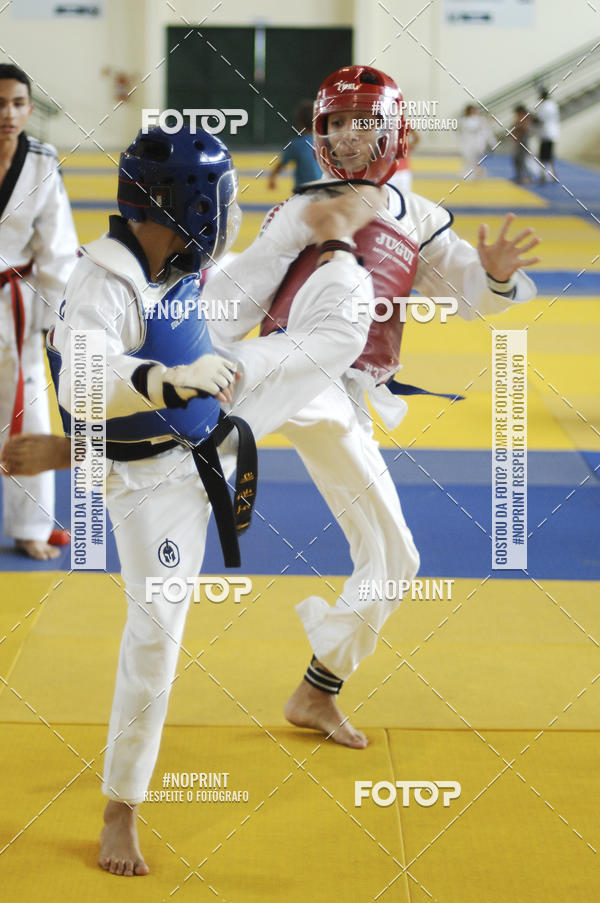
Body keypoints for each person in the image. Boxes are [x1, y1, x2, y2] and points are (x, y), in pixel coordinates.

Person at [47, 123, 382, 876]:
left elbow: (266, 251)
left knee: (321, 346)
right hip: (151, 480)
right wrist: (169, 382)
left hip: (217, 421)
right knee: (158, 635)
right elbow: (80, 380)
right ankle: (120, 806)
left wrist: (345, 207)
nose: (227, 215)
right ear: (190, 206)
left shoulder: (186, 264)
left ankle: (325, 381)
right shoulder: (104, 280)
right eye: (220, 202)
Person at [205, 65, 541, 751]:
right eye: (335, 124)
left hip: (352, 395)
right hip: (300, 371)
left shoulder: (418, 218)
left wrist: (499, 274)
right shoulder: (306, 208)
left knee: (397, 557)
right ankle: (169, 438)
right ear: (319, 133)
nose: (348, 137)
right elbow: (238, 297)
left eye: (363, 123)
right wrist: (201, 351)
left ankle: (317, 688)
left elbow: (472, 294)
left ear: (389, 131)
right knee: (192, 455)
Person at [0, 63, 77, 559]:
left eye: (17, 103)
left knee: (27, 404)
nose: (8, 114)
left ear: (29, 108)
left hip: (16, 301)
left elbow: (57, 247)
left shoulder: (41, 162)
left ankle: (30, 523)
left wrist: (54, 318)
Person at [268, 99, 322, 191]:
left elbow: (281, 164)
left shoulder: (296, 145)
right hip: (322, 189)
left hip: (303, 192)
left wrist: (272, 178)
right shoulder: (324, 142)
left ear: (299, 122)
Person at [459, 104, 495, 179]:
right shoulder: (463, 120)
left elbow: (487, 130)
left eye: (474, 110)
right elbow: (463, 131)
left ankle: (476, 173)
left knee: (473, 159)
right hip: (467, 143)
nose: (473, 112)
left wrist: (492, 142)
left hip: (476, 143)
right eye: (471, 110)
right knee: (468, 159)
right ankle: (475, 172)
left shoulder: (480, 119)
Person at [535, 87, 559, 183]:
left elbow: (541, 120)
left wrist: (532, 119)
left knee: (544, 156)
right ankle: (551, 175)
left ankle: (544, 175)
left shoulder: (545, 106)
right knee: (548, 156)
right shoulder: (553, 105)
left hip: (546, 134)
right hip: (551, 133)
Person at [511, 104, 533, 185]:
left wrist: (518, 126)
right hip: (519, 141)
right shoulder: (519, 119)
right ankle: (519, 176)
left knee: (522, 160)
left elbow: (525, 129)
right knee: (517, 160)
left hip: (523, 141)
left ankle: (527, 177)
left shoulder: (524, 118)